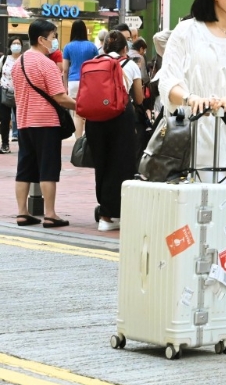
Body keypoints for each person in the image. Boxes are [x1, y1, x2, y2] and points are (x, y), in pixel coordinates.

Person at [12, 19, 76, 228]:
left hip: (23, 122)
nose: (55, 41)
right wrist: (82, 107)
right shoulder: (46, 64)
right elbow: (60, 97)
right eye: (53, 37)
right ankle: (50, 214)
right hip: (46, 122)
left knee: (24, 168)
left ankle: (22, 213)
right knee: (48, 168)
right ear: (41, 39)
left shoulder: (17, 63)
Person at [86, 31, 143, 232]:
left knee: (101, 164)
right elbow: (139, 98)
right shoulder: (131, 65)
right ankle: (111, 215)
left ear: (104, 47)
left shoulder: (93, 62)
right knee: (120, 165)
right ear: (125, 48)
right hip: (119, 117)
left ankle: (104, 212)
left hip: (94, 119)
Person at [62, 21, 98, 139]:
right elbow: (97, 65)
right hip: (89, 82)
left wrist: (65, 86)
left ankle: (78, 142)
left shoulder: (68, 47)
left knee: (77, 113)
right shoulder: (92, 46)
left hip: (73, 81)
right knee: (89, 112)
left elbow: (65, 69)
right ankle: (88, 139)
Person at [1, 37, 23, 153]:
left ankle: (24, 144)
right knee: (5, 120)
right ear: (10, 46)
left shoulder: (24, 59)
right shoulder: (4, 59)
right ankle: (5, 144)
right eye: (14, 43)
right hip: (5, 91)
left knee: (21, 120)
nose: (16, 45)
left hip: (20, 94)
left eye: (18, 43)